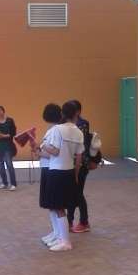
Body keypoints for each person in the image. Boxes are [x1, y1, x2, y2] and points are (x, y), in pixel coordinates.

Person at [41, 100, 84, 252]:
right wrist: (76, 175)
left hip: (56, 171)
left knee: (58, 207)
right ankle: (59, 237)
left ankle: (65, 241)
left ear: (62, 114)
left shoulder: (57, 129)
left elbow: (55, 151)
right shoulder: (78, 132)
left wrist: (43, 145)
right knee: (57, 206)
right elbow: (79, 158)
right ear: (76, 114)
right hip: (69, 171)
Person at [32, 103, 62, 246]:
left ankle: (60, 235)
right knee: (50, 204)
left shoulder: (55, 131)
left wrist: (40, 151)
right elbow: (48, 151)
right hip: (46, 167)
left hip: (51, 168)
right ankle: (56, 232)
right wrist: (38, 151)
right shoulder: (51, 130)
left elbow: (53, 153)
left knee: (54, 204)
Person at [67, 99, 91, 233]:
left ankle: (84, 222)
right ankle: (69, 221)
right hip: (70, 164)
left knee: (78, 193)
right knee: (72, 193)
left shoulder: (82, 124)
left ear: (77, 111)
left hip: (81, 164)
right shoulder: (67, 124)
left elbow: (79, 145)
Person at [0, 105, 17, 190]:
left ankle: (13, 184)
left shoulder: (9, 121)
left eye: (0, 110)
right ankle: (4, 183)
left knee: (9, 164)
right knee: (0, 165)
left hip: (7, 146)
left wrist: (4, 136)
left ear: (3, 111)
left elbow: (13, 133)